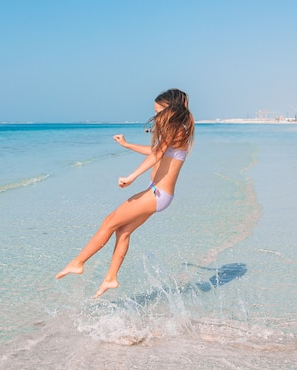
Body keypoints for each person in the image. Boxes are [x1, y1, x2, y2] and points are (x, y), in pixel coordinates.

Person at [55, 88, 195, 298]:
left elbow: (156, 153)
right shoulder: (179, 130)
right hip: (158, 194)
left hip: (156, 194)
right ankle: (110, 278)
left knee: (109, 221)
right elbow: (155, 151)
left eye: (158, 112)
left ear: (170, 109)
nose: (156, 116)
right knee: (123, 231)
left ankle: (78, 263)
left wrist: (132, 176)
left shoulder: (177, 129)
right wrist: (126, 144)